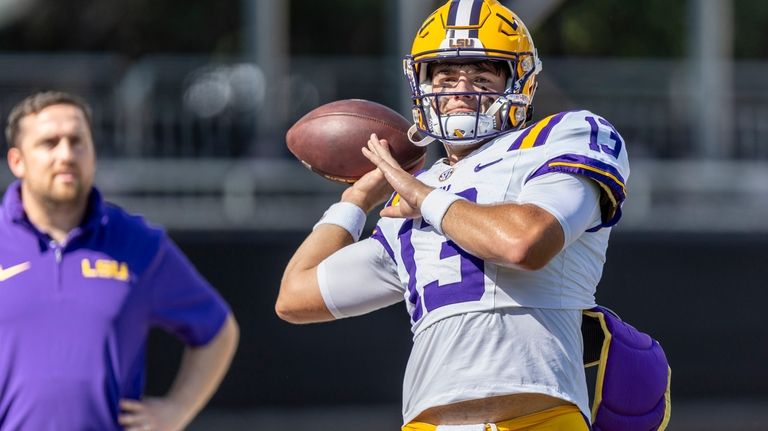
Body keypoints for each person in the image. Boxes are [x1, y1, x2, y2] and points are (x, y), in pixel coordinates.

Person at [277, 0, 630, 430]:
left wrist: (421, 194)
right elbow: (295, 297)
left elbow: (523, 244)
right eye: (445, 76)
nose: (461, 88)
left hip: (535, 417)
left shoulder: (562, 136)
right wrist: (357, 200)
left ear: (520, 83)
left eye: (481, 75)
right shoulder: (407, 204)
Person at [0, 90, 239, 431]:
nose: (66, 154)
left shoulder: (139, 243)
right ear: (17, 161)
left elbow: (219, 331)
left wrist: (176, 411)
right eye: (49, 143)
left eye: (77, 141)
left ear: (93, 153)